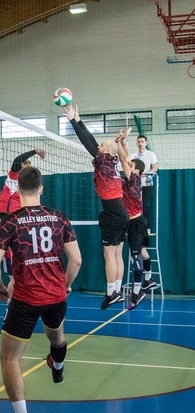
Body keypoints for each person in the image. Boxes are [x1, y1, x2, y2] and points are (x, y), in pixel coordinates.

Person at [0, 166, 82, 413]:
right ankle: (58, 368)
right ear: (41, 188)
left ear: (17, 190)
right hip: (56, 297)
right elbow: (76, 260)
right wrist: (65, 284)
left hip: (26, 299)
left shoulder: (10, 221)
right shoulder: (60, 217)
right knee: (57, 337)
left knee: (9, 358)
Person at [63, 103, 129, 309]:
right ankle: (116, 291)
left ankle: (111, 294)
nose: (98, 146)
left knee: (110, 255)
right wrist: (79, 119)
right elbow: (92, 141)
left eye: (101, 145)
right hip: (121, 212)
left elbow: (86, 142)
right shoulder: (111, 160)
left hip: (113, 212)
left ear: (106, 151)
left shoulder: (104, 161)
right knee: (117, 254)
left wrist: (72, 121)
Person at [0, 148, 46, 294]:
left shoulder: (29, 185)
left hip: (21, 219)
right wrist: (35, 151)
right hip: (4, 216)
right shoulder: (13, 177)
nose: (28, 164)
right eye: (25, 162)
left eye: (30, 163)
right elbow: (17, 160)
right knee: (14, 273)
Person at [117, 133, 147, 310]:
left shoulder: (134, 179)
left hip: (137, 223)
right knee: (134, 255)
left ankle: (137, 292)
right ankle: (145, 282)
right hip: (130, 223)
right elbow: (126, 158)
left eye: (131, 166)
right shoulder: (130, 179)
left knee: (136, 256)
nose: (129, 165)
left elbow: (123, 160)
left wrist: (118, 144)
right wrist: (123, 142)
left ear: (136, 171)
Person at [130, 135, 158, 236]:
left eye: (142, 142)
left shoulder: (151, 154)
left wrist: (144, 174)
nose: (140, 144)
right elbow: (129, 168)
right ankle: (133, 226)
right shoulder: (133, 156)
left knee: (146, 205)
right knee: (133, 204)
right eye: (138, 142)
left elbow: (155, 168)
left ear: (146, 143)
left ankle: (147, 227)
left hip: (147, 183)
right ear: (136, 143)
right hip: (135, 184)